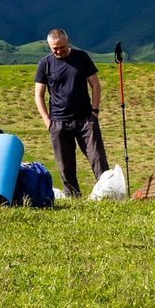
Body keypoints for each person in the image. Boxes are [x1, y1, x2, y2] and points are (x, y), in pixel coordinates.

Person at [32, 28, 109, 197]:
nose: (59, 51)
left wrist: (95, 112)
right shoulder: (44, 64)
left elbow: (95, 85)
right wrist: (47, 121)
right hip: (58, 122)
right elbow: (39, 94)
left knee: (97, 158)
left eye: (62, 47)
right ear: (49, 46)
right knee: (65, 164)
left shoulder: (82, 58)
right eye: (55, 48)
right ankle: (73, 197)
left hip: (85, 120)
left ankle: (108, 193)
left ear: (68, 42)